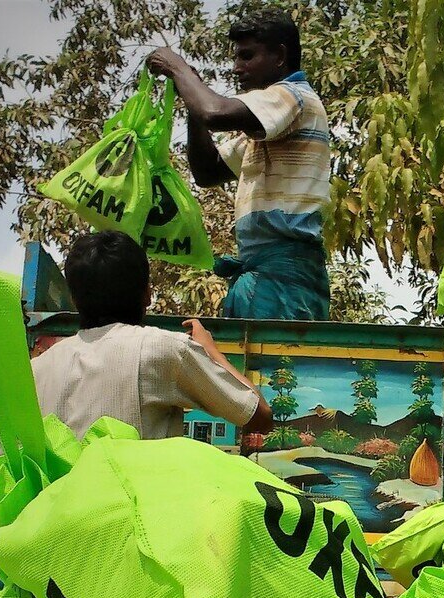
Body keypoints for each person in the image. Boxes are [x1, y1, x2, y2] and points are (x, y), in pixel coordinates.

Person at [147, 10, 332, 321]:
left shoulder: (293, 96)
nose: (237, 68)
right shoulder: (264, 133)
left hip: (282, 282)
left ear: (279, 57)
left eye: (247, 56)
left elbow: (215, 113)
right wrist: (191, 99)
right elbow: (207, 171)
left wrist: (179, 69)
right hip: (265, 276)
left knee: (269, 367)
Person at [22, 231, 273, 442]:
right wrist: (209, 349)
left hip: (53, 502)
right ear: (147, 294)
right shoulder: (163, 349)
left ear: (74, 299)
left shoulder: (35, 371)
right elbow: (259, 416)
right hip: (135, 502)